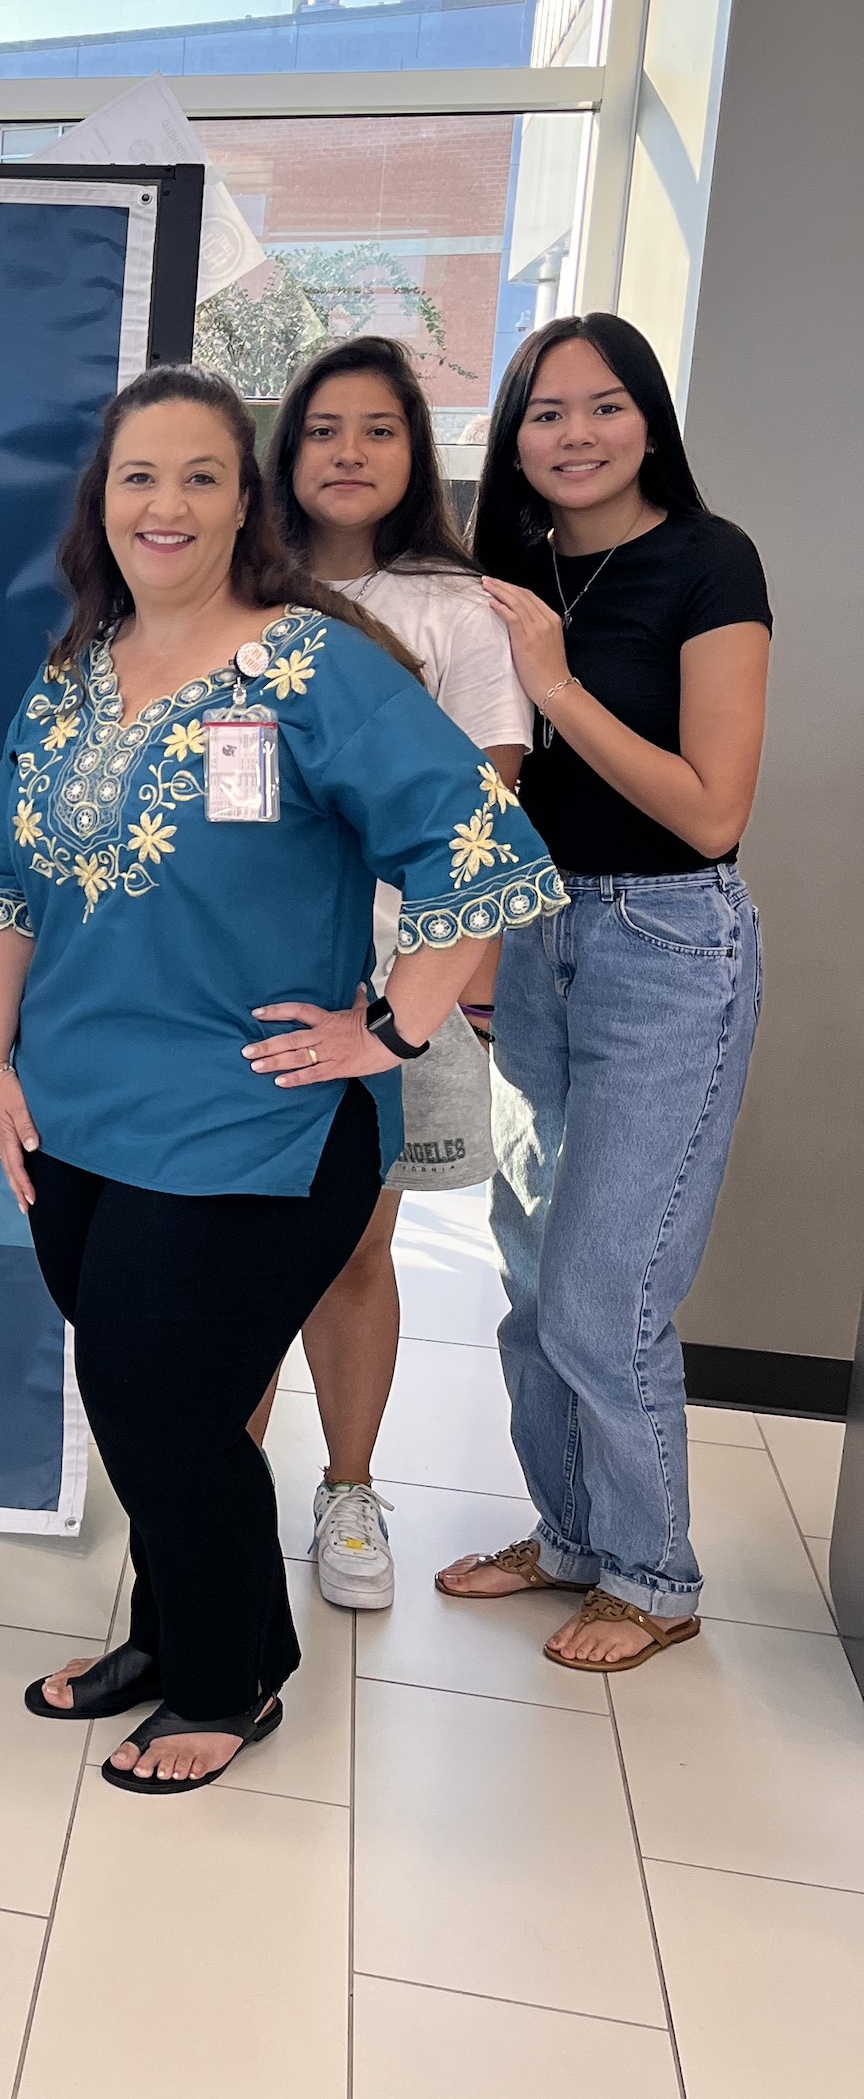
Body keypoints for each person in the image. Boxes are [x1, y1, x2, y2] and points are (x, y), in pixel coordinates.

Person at [0, 366, 561, 1791]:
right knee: (140, 1400)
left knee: (160, 1393)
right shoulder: (70, 677)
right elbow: (3, 878)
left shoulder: (315, 667)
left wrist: (398, 1030)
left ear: (247, 502)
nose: (165, 505)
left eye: (199, 476)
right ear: (99, 506)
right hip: (77, 1107)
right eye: (137, 477)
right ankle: (169, 1636)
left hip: (256, 1112)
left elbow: (477, 850)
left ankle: (234, 1677)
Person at [437, 313, 770, 1673]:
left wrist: (555, 685)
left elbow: (709, 811)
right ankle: (570, 1532)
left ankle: (655, 1571)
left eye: (604, 405)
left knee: (604, 1283)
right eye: (544, 412)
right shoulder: (503, 564)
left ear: (648, 420)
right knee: (525, 1274)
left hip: (664, 942)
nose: (574, 434)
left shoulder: (708, 561)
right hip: (531, 936)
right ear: (512, 438)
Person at [248, 337, 533, 1610]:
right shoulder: (232, 593)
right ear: (286, 452)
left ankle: (350, 1491)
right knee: (230, 1244)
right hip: (245, 974)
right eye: (322, 428)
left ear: (417, 452)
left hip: (390, 989)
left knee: (359, 1248)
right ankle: (220, 1486)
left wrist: (410, 1007)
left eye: (377, 429)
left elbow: (480, 830)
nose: (348, 452)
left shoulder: (456, 609)